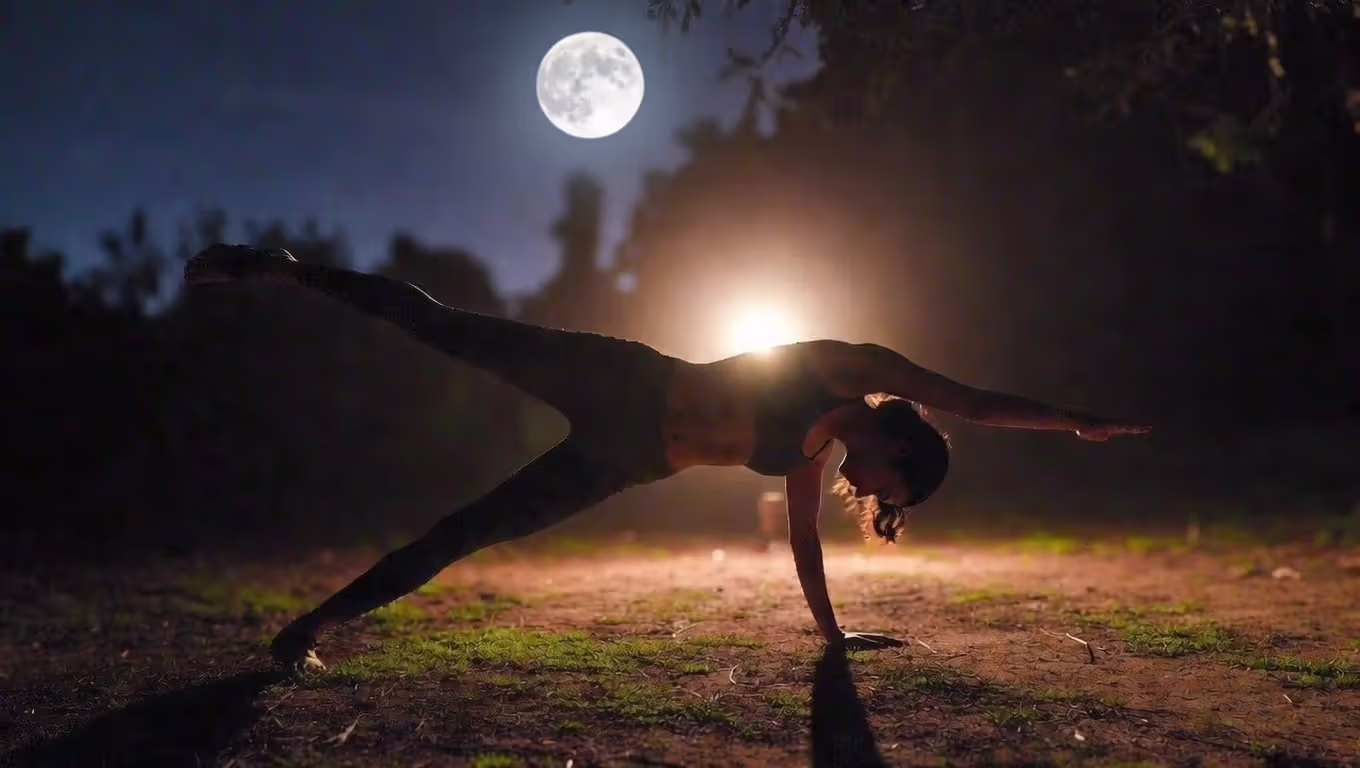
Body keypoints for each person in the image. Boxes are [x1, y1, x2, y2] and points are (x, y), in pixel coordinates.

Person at [184, 244, 1151, 676]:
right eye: (892, 489)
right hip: (621, 380)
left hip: (625, 458)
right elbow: (971, 401)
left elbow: (805, 548)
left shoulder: (809, 458)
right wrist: (1073, 421)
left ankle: (308, 629)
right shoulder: (847, 370)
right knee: (448, 327)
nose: (871, 495)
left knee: (465, 532)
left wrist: (834, 635)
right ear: (904, 448)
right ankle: (287, 268)